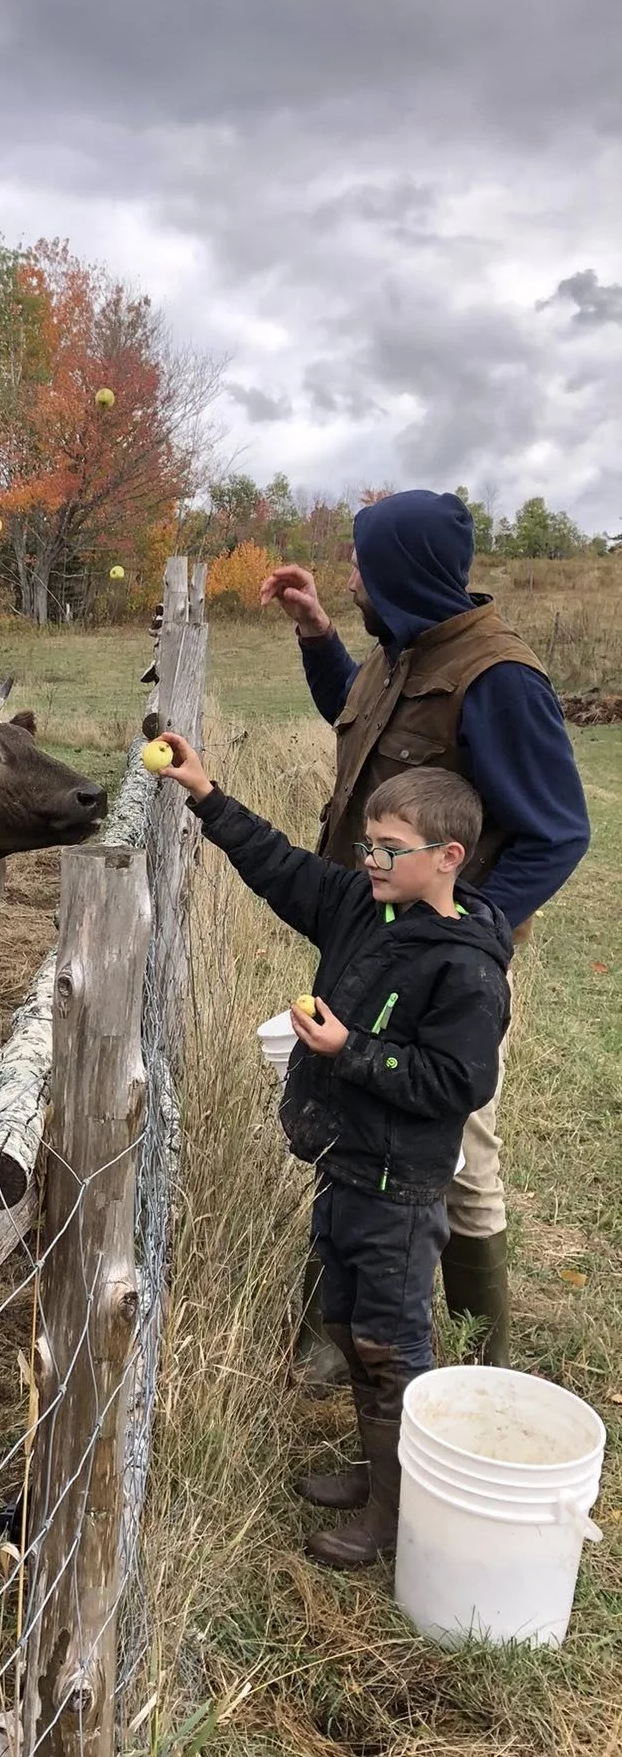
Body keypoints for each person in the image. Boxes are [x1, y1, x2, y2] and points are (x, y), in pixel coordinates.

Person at [155, 737, 513, 1565]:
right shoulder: (364, 906)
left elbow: (456, 1083)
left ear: (448, 857)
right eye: (369, 846)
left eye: (391, 850)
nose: (372, 860)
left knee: (393, 1345)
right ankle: (378, 1473)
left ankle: (397, 1516)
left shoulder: (466, 970)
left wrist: (351, 1050)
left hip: (400, 1185)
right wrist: (205, 793)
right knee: (352, 1327)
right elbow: (280, 866)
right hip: (346, 1164)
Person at [259, 491, 589, 1384]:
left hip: (444, 970)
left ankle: (483, 1352)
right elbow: (361, 724)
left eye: (363, 566)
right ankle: (341, 1328)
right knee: (355, 1126)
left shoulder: (499, 679)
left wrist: (472, 930)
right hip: (371, 942)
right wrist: (320, 636)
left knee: (461, 1146)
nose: (354, 578)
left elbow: (560, 831)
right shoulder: (403, 651)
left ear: (402, 572)